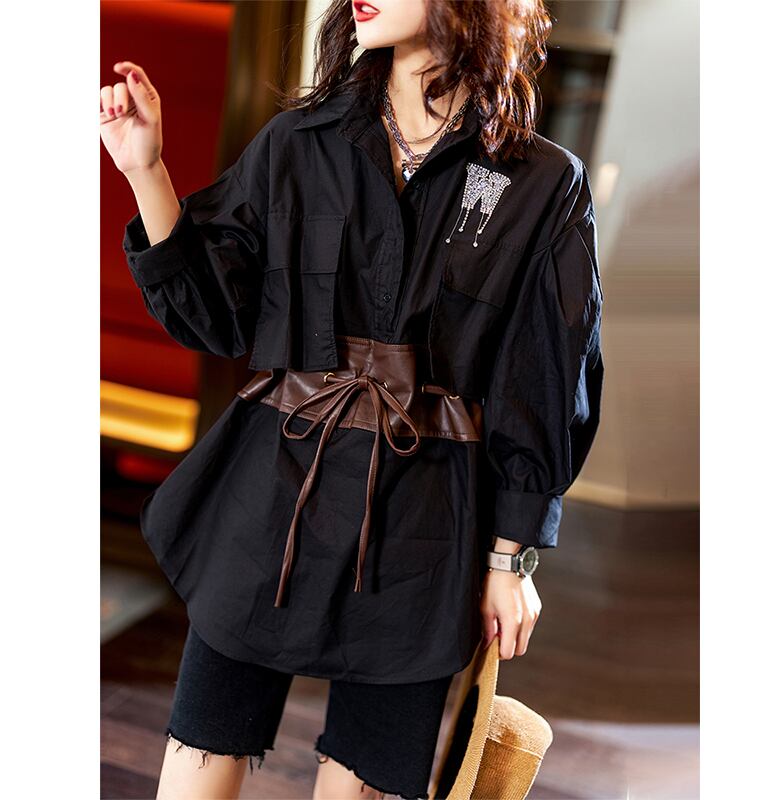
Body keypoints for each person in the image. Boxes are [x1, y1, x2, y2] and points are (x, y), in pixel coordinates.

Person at [99, 0, 604, 798]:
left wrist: (511, 557)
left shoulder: (540, 182)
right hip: (270, 494)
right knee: (200, 748)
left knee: (369, 773)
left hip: (425, 523)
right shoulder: (300, 141)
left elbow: (541, 378)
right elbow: (214, 315)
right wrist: (144, 169)